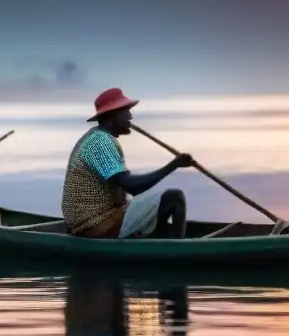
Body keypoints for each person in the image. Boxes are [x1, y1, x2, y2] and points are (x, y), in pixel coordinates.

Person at [62, 87, 193, 239]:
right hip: (95, 225)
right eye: (126, 111)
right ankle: (176, 253)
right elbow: (132, 186)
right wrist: (173, 165)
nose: (130, 116)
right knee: (174, 198)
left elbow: (129, 187)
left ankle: (155, 239)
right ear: (112, 115)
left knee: (155, 206)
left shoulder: (99, 138)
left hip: (98, 220)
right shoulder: (100, 142)